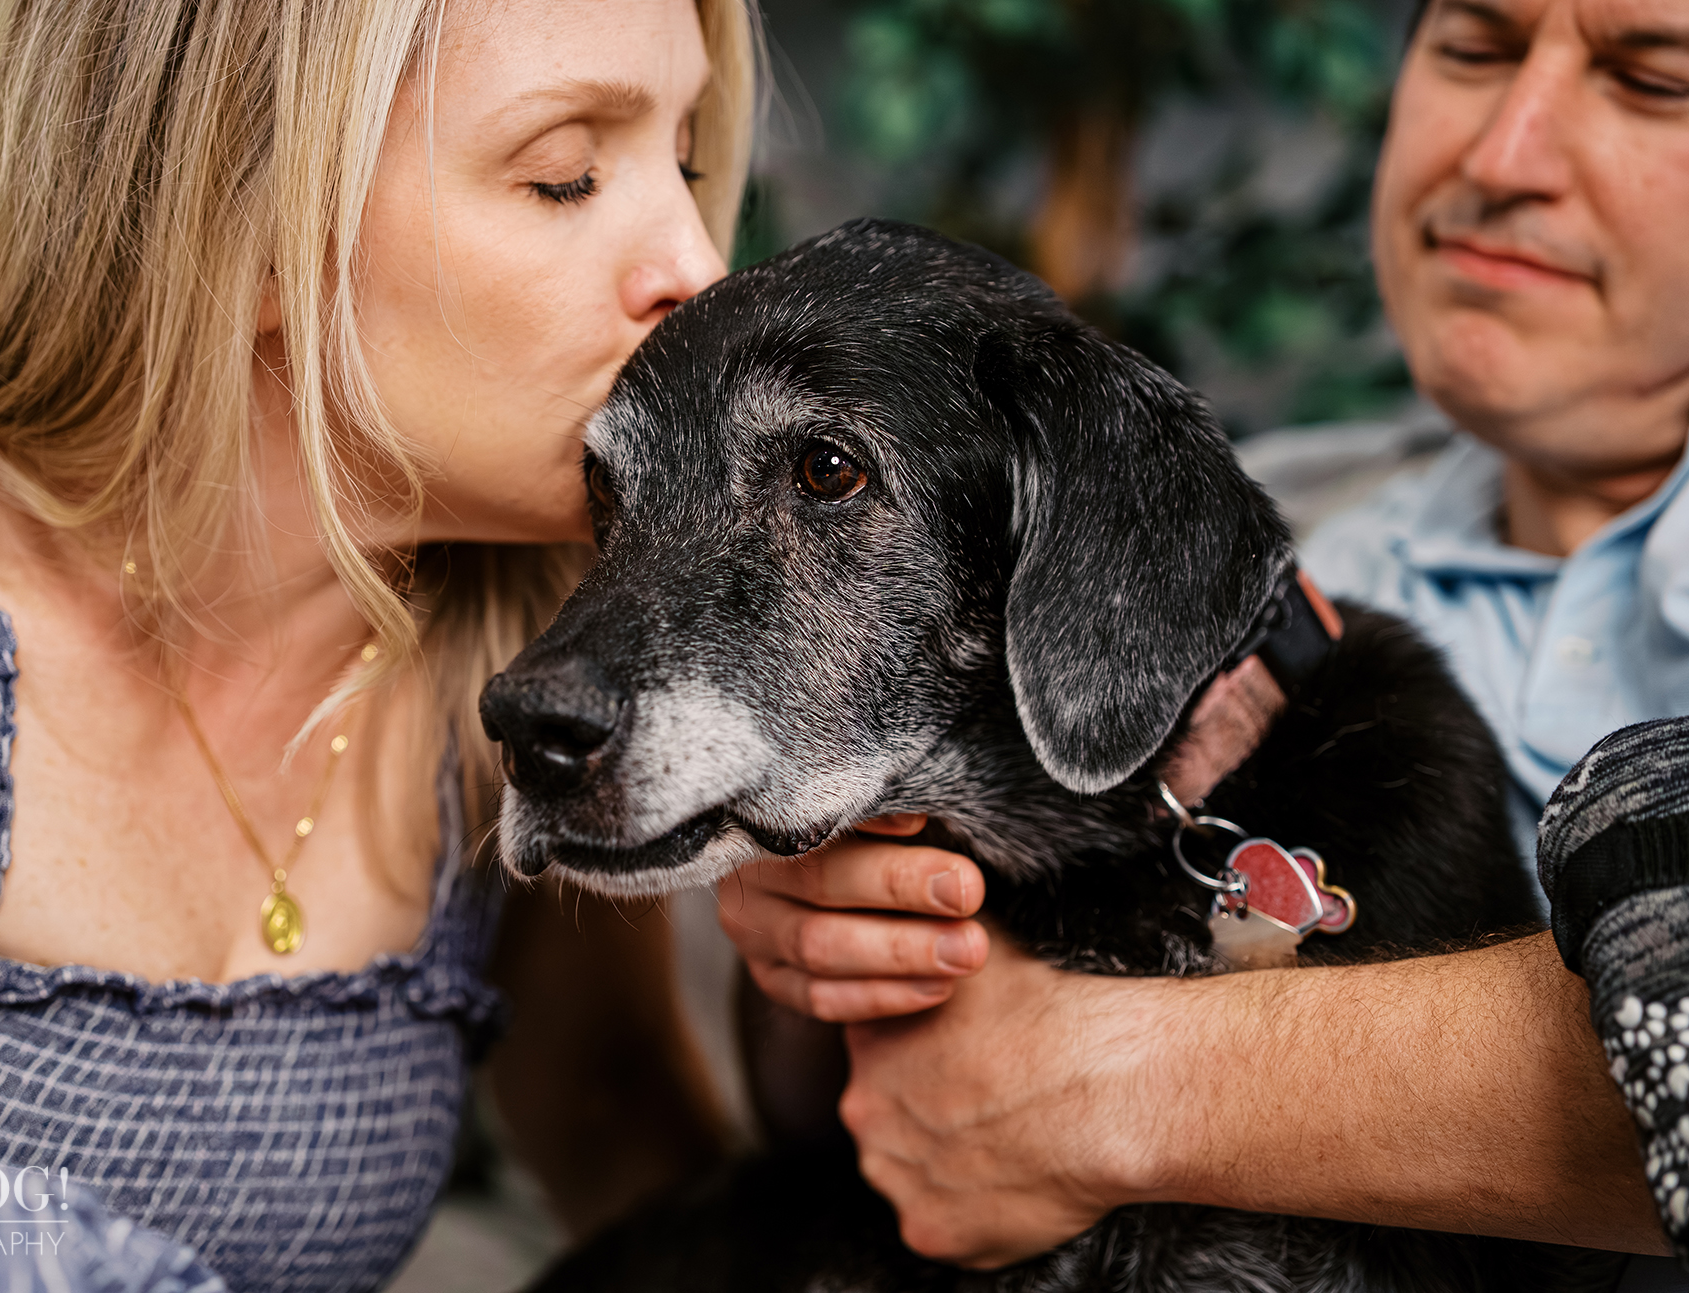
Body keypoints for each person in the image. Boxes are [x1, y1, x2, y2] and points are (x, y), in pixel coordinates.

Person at [0, 0, 754, 1287]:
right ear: (250, 224)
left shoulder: (529, 654)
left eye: (686, 167)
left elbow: (635, 1158)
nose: (697, 273)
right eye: (564, 175)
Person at [718, 0, 1689, 1273]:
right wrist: (820, 953)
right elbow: (845, 1132)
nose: (1502, 154)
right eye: (1473, 50)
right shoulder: (1187, 548)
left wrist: (1110, 1084)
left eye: (1653, 80)